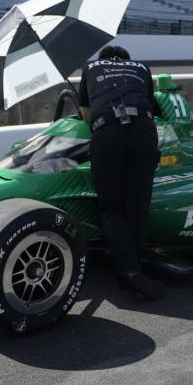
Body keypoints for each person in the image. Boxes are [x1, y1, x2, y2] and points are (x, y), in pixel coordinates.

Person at [79, 45, 164, 301]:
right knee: (137, 207)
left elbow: (85, 114)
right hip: (142, 131)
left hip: (108, 133)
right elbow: (153, 105)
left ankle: (128, 272)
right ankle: (133, 269)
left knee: (112, 210)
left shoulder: (90, 67)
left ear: (101, 59)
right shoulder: (141, 67)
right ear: (127, 59)